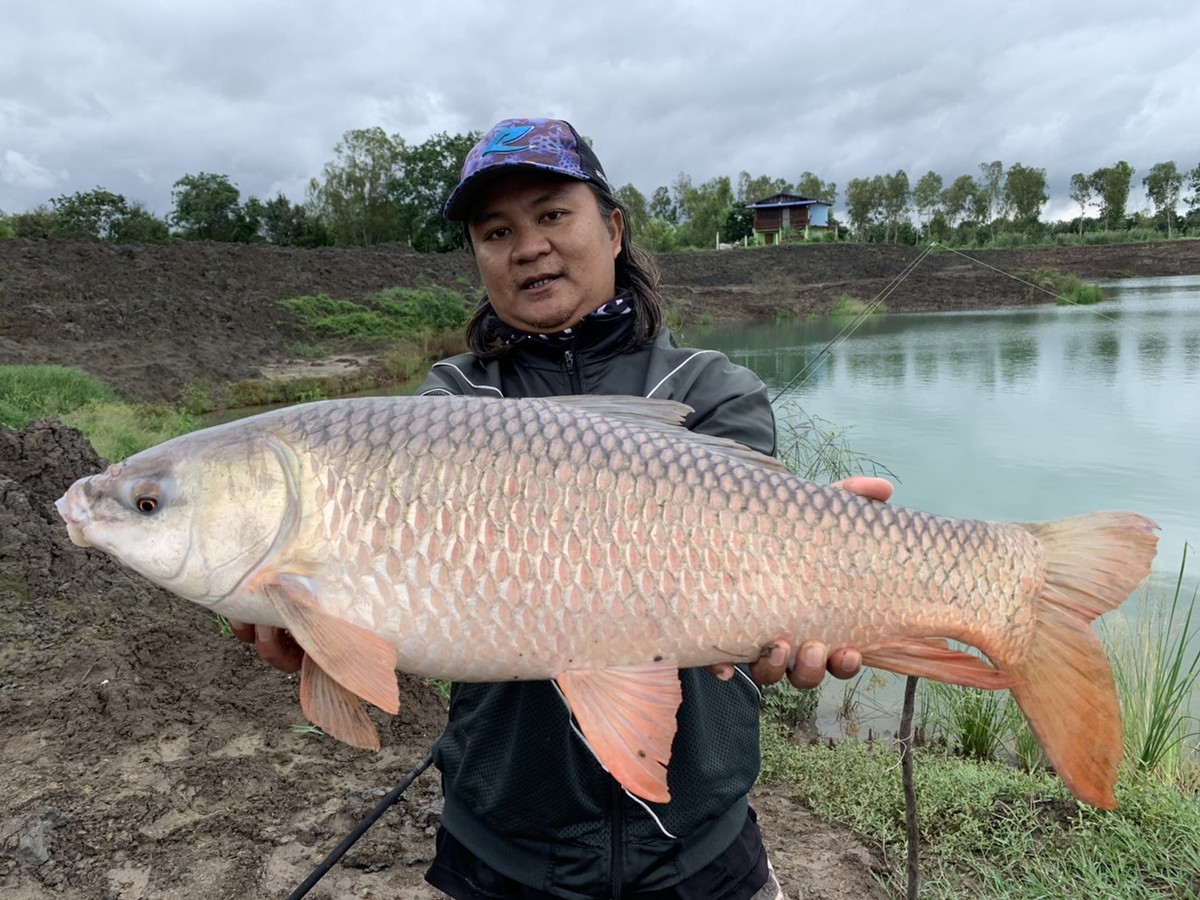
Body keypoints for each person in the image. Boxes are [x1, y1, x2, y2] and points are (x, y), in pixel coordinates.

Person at [233, 117, 891, 899]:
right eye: (496, 230)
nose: (528, 246)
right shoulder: (448, 405)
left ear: (612, 229)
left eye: (551, 215)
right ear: (478, 258)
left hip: (700, 843)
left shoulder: (710, 391)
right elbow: (379, 610)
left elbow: (756, 607)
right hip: (505, 845)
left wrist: (825, 574)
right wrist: (319, 634)